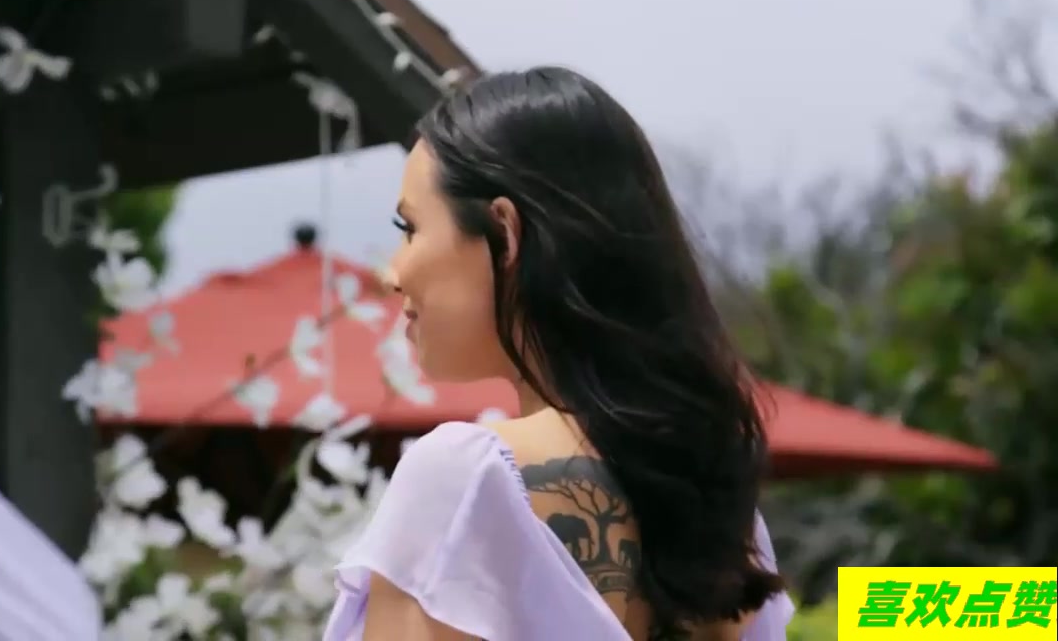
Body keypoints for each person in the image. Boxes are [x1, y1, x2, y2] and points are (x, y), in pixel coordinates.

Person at [321, 67, 795, 640]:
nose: (392, 273)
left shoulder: (468, 481)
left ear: (504, 234)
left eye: (410, 228)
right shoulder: (722, 514)